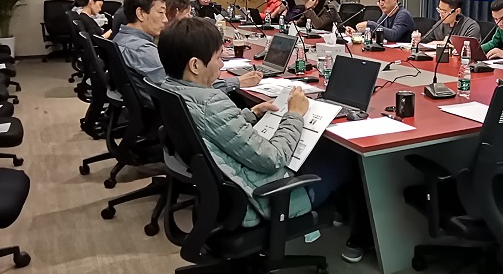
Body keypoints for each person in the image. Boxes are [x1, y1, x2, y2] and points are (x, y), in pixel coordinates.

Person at [158, 17, 373, 262]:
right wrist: (294, 114)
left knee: (319, 147)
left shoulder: (172, 90)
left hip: (229, 191)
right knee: (347, 156)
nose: (221, 64)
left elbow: (215, 128)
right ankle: (360, 237)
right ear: (195, 65)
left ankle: (343, 216)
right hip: (261, 199)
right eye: (218, 57)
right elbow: (271, 159)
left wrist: (251, 113)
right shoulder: (210, 103)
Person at [114, 0, 262, 108]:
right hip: (174, 115)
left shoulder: (121, 39)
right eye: (160, 12)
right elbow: (184, 90)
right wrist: (237, 82)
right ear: (141, 13)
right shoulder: (141, 49)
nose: (165, 19)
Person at [346, 0, 415, 42]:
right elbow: (375, 32)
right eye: (379, 1)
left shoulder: (403, 15)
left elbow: (393, 35)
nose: (381, 4)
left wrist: (370, 24)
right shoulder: (386, 15)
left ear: (394, 0)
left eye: (383, 0)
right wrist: (356, 33)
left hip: (403, 51)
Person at [412, 0, 480, 45]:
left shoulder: (471, 27)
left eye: (444, 12)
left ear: (457, 11)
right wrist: (419, 40)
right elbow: (426, 41)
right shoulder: (439, 24)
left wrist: (445, 44)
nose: (440, 14)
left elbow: (470, 51)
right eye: (439, 10)